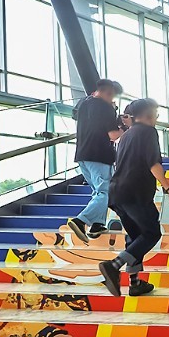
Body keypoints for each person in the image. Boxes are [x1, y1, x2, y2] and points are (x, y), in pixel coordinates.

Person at [98, 98, 169, 298]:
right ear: (149, 114)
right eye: (156, 114)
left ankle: (135, 283)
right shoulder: (148, 132)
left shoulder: (126, 136)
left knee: (135, 237)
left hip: (118, 193)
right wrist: (168, 188)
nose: (156, 118)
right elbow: (153, 164)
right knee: (152, 233)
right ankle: (113, 265)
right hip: (135, 193)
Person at [67, 79, 123, 243]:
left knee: (97, 191)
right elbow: (113, 135)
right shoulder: (105, 107)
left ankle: (98, 224)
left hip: (82, 155)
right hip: (99, 154)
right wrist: (128, 129)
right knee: (105, 191)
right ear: (108, 92)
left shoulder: (84, 103)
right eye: (112, 95)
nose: (112, 99)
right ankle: (80, 220)